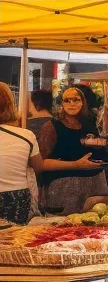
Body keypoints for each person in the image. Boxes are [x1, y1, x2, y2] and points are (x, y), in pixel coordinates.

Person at [36, 85, 108, 214]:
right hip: (63, 187)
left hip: (94, 183)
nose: (71, 104)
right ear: (61, 103)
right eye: (67, 100)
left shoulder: (90, 124)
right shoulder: (51, 127)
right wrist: (76, 164)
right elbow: (41, 163)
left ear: (83, 102)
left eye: (76, 99)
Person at [0, 83, 45, 224]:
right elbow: (39, 167)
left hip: (16, 195)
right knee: (15, 241)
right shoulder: (26, 135)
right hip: (17, 195)